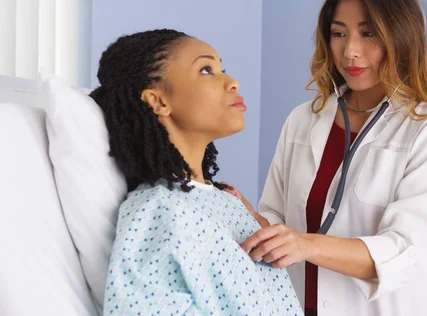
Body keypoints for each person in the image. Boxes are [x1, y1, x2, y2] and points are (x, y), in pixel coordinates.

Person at [236, 0, 427, 315]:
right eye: (339, 34)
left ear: (400, 37)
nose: (350, 51)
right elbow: (280, 224)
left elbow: (405, 252)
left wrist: (306, 244)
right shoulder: (303, 120)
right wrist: (252, 220)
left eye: (368, 33)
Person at [90, 29, 302, 315]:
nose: (232, 82)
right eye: (206, 70)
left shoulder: (228, 202)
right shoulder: (156, 210)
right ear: (158, 101)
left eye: (220, 68)